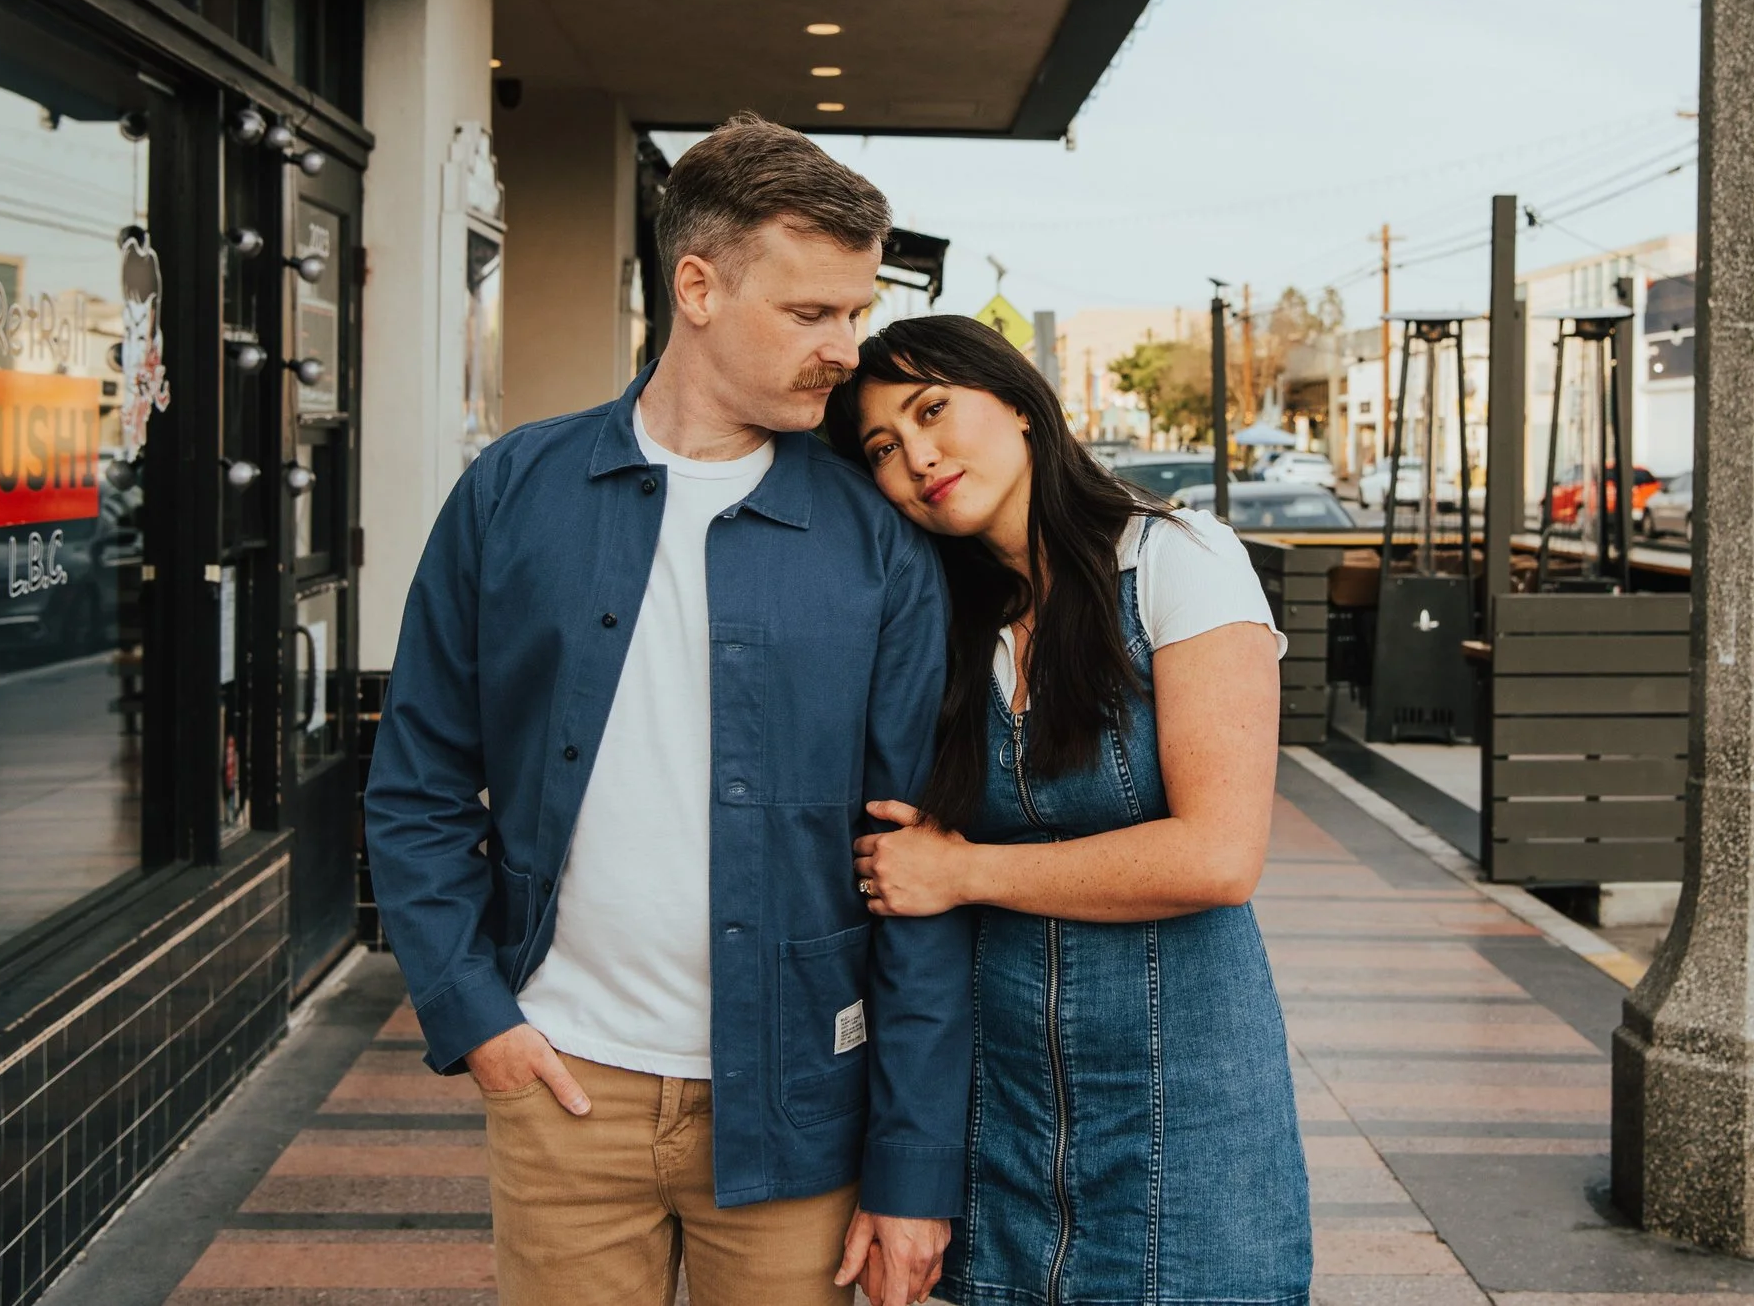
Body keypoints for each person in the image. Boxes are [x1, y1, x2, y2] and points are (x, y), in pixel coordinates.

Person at [366, 115, 967, 1306]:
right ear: (696, 285)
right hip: (563, 1085)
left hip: (803, 1100)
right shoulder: (512, 492)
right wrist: (474, 1014)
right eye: (811, 314)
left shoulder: (879, 543)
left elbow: (918, 866)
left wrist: (912, 1167)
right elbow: (419, 780)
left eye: (856, 312)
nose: (846, 348)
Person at [825, 314, 1313, 1306]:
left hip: (1187, 1117)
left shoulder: (1178, 559)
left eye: (931, 410)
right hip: (1002, 1119)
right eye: (881, 448)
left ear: (1015, 400)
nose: (917, 455)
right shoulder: (948, 622)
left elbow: (1219, 854)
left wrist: (963, 870)